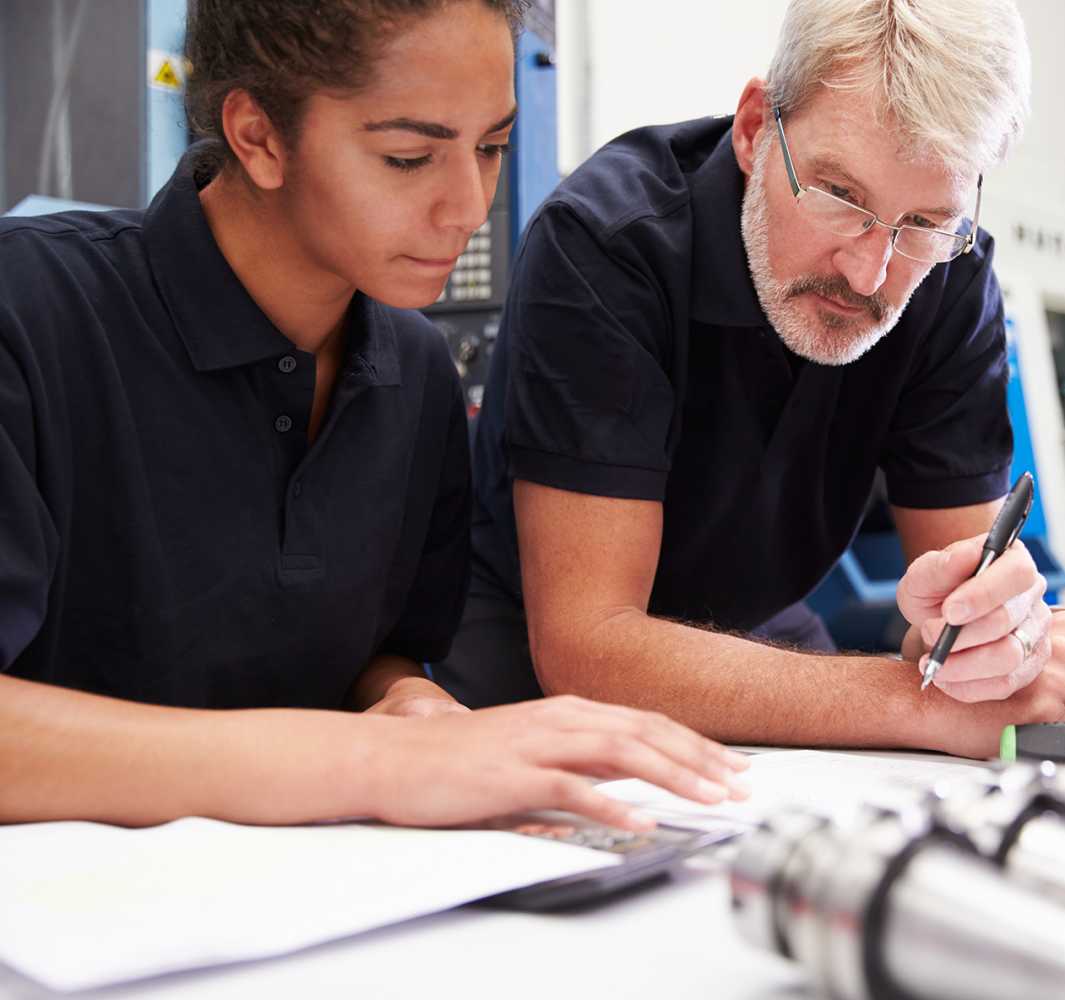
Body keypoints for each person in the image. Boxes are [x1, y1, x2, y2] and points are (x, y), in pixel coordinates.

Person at [0, 0, 746, 829]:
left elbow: (378, 653)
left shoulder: (414, 369)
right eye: (407, 157)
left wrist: (411, 703)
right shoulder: (29, 315)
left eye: (492, 146)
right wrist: (372, 763)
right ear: (257, 136)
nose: (467, 205)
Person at [441, 0, 1065, 759]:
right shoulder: (607, 246)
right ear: (756, 128)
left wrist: (1001, 637)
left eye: (925, 222)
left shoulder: (949, 279)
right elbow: (590, 648)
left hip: (758, 631)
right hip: (533, 654)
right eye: (840, 196)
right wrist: (916, 704)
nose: (871, 272)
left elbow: (963, 619)